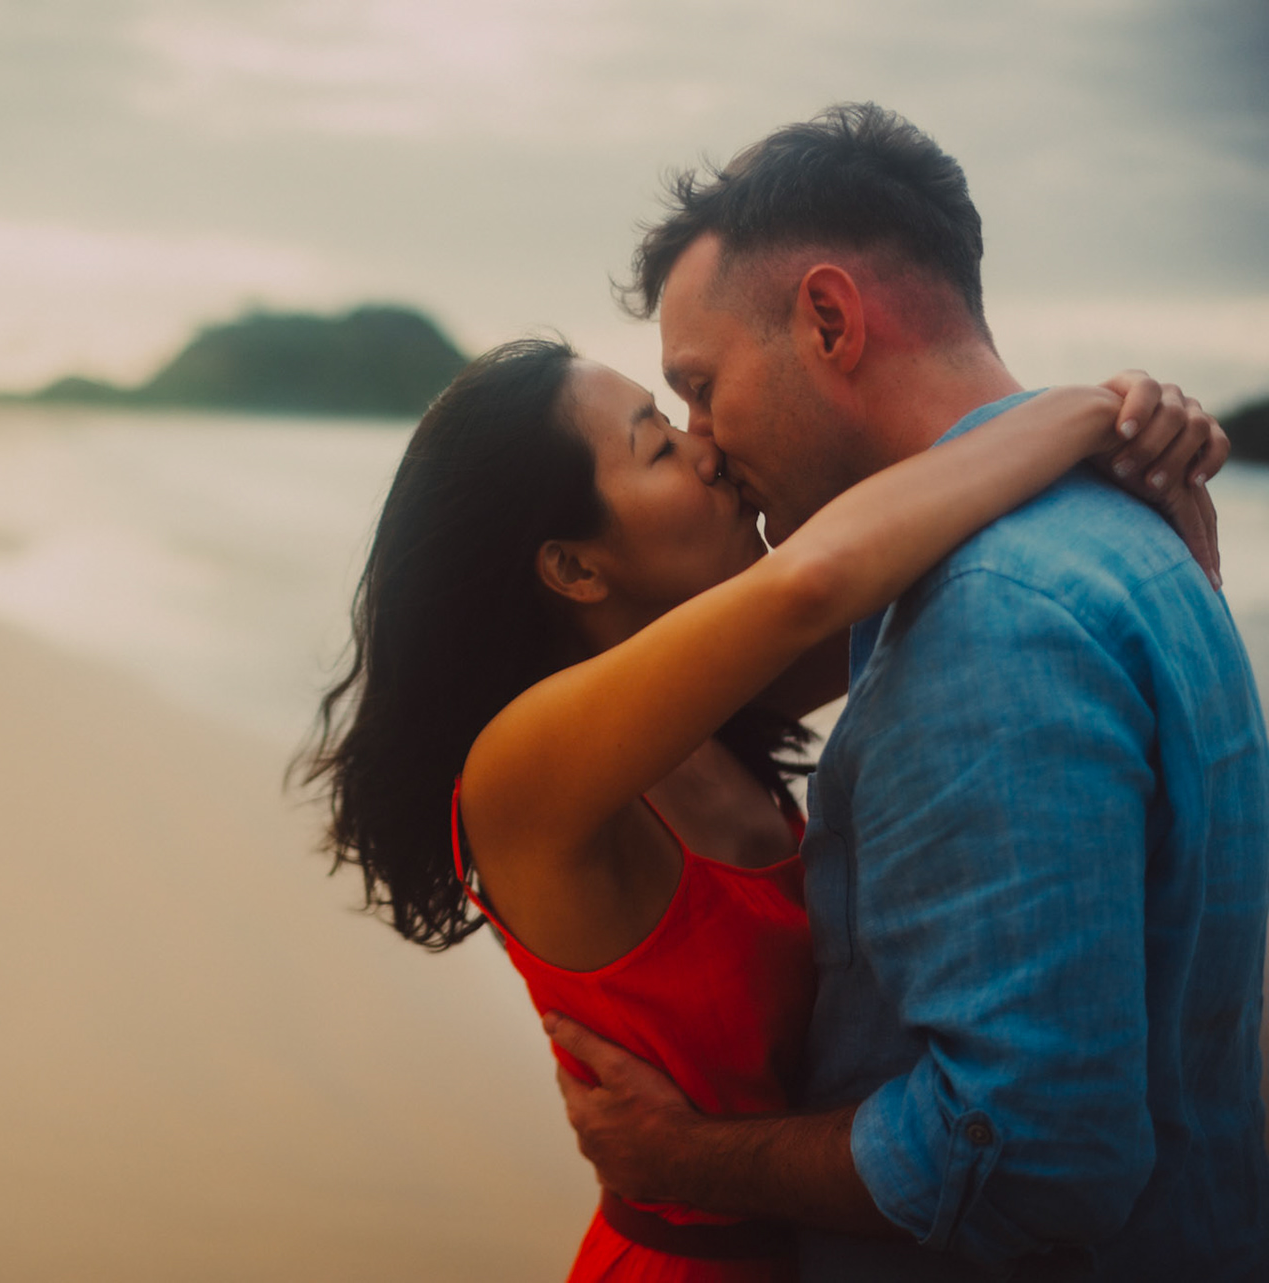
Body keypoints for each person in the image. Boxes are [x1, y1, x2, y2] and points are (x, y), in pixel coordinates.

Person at [301, 323, 1221, 1278]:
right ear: (574, 566)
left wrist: (1140, 446)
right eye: (658, 444)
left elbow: (915, 566)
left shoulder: (715, 717)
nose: (707, 448)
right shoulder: (522, 771)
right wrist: (1085, 410)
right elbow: (818, 578)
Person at [542, 103, 1269, 1280]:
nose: (706, 442)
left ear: (829, 318)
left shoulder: (988, 618)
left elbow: (1033, 1156)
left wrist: (690, 1162)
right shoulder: (1128, 537)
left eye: (701, 385)